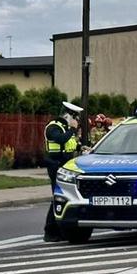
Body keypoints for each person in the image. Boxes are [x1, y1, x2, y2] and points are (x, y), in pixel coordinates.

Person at [43, 101, 83, 242]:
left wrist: (81, 148)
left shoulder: (65, 128)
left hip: (66, 167)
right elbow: (60, 139)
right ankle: (50, 231)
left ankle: (59, 231)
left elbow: (70, 145)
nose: (77, 120)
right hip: (55, 165)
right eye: (75, 117)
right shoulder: (53, 127)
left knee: (64, 198)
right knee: (58, 197)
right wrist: (72, 130)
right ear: (67, 116)